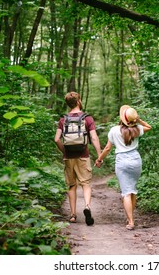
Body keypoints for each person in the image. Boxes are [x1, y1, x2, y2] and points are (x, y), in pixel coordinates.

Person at [94, 105, 151, 230]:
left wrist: (99, 159)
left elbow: (108, 148)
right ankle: (130, 217)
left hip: (122, 162)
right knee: (132, 190)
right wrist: (138, 120)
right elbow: (149, 127)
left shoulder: (114, 130)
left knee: (126, 192)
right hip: (136, 160)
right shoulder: (136, 129)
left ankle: (130, 222)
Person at [54, 92, 102, 226]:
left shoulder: (63, 120)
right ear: (79, 101)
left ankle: (73, 215)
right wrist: (99, 155)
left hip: (68, 158)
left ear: (68, 104)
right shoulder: (87, 118)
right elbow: (93, 137)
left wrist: (65, 151)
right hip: (83, 156)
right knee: (86, 184)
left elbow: (56, 139)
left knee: (71, 186)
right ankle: (87, 206)